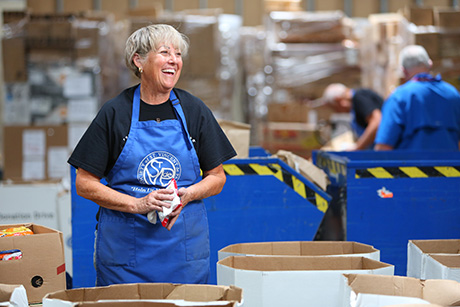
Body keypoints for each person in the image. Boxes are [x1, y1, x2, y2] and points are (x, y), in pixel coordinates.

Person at [67, 24, 236, 286]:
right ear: (139, 61)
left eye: (178, 54)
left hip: (183, 257)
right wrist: (138, 204)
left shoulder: (194, 110)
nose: (174, 61)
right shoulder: (115, 114)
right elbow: (84, 183)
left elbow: (218, 177)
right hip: (126, 259)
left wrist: (187, 194)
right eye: (165, 52)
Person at [375, 45, 460, 150]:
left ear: (404, 71)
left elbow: (383, 147)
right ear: (430, 64)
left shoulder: (399, 97)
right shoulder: (453, 94)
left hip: (409, 166)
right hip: (450, 166)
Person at [322, 83, 384, 150]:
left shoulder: (359, 97)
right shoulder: (355, 104)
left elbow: (376, 121)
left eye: (334, 108)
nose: (337, 112)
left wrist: (358, 147)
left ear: (339, 100)